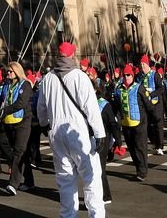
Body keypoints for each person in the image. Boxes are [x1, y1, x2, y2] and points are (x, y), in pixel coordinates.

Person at [36, 41, 106, 218]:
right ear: (73, 56)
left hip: (56, 132)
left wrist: (44, 124)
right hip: (78, 131)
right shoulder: (79, 77)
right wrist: (100, 133)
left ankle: (68, 215)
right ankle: (96, 215)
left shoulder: (48, 78)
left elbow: (41, 107)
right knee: (91, 177)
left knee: (65, 178)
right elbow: (91, 107)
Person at [0, 62, 33, 195]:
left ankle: (13, 183)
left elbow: (21, 103)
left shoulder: (25, 84)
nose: (8, 74)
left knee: (19, 151)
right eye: (7, 72)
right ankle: (29, 181)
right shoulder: (6, 85)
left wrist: (5, 110)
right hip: (9, 122)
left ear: (17, 72)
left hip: (23, 122)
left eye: (11, 72)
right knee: (20, 153)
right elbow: (2, 100)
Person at [114, 64, 148, 181]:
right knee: (132, 149)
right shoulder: (118, 90)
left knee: (140, 147)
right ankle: (138, 168)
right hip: (126, 124)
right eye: (125, 75)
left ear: (133, 76)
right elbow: (117, 107)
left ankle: (142, 172)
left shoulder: (139, 88)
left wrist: (153, 119)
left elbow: (147, 105)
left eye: (129, 75)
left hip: (139, 124)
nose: (126, 77)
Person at [139, 55, 166, 154]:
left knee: (158, 125)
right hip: (146, 104)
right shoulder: (141, 77)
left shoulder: (155, 75)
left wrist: (152, 93)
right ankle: (154, 142)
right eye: (141, 64)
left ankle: (160, 146)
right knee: (147, 125)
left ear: (147, 64)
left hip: (156, 104)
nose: (142, 66)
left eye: (144, 64)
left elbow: (161, 88)